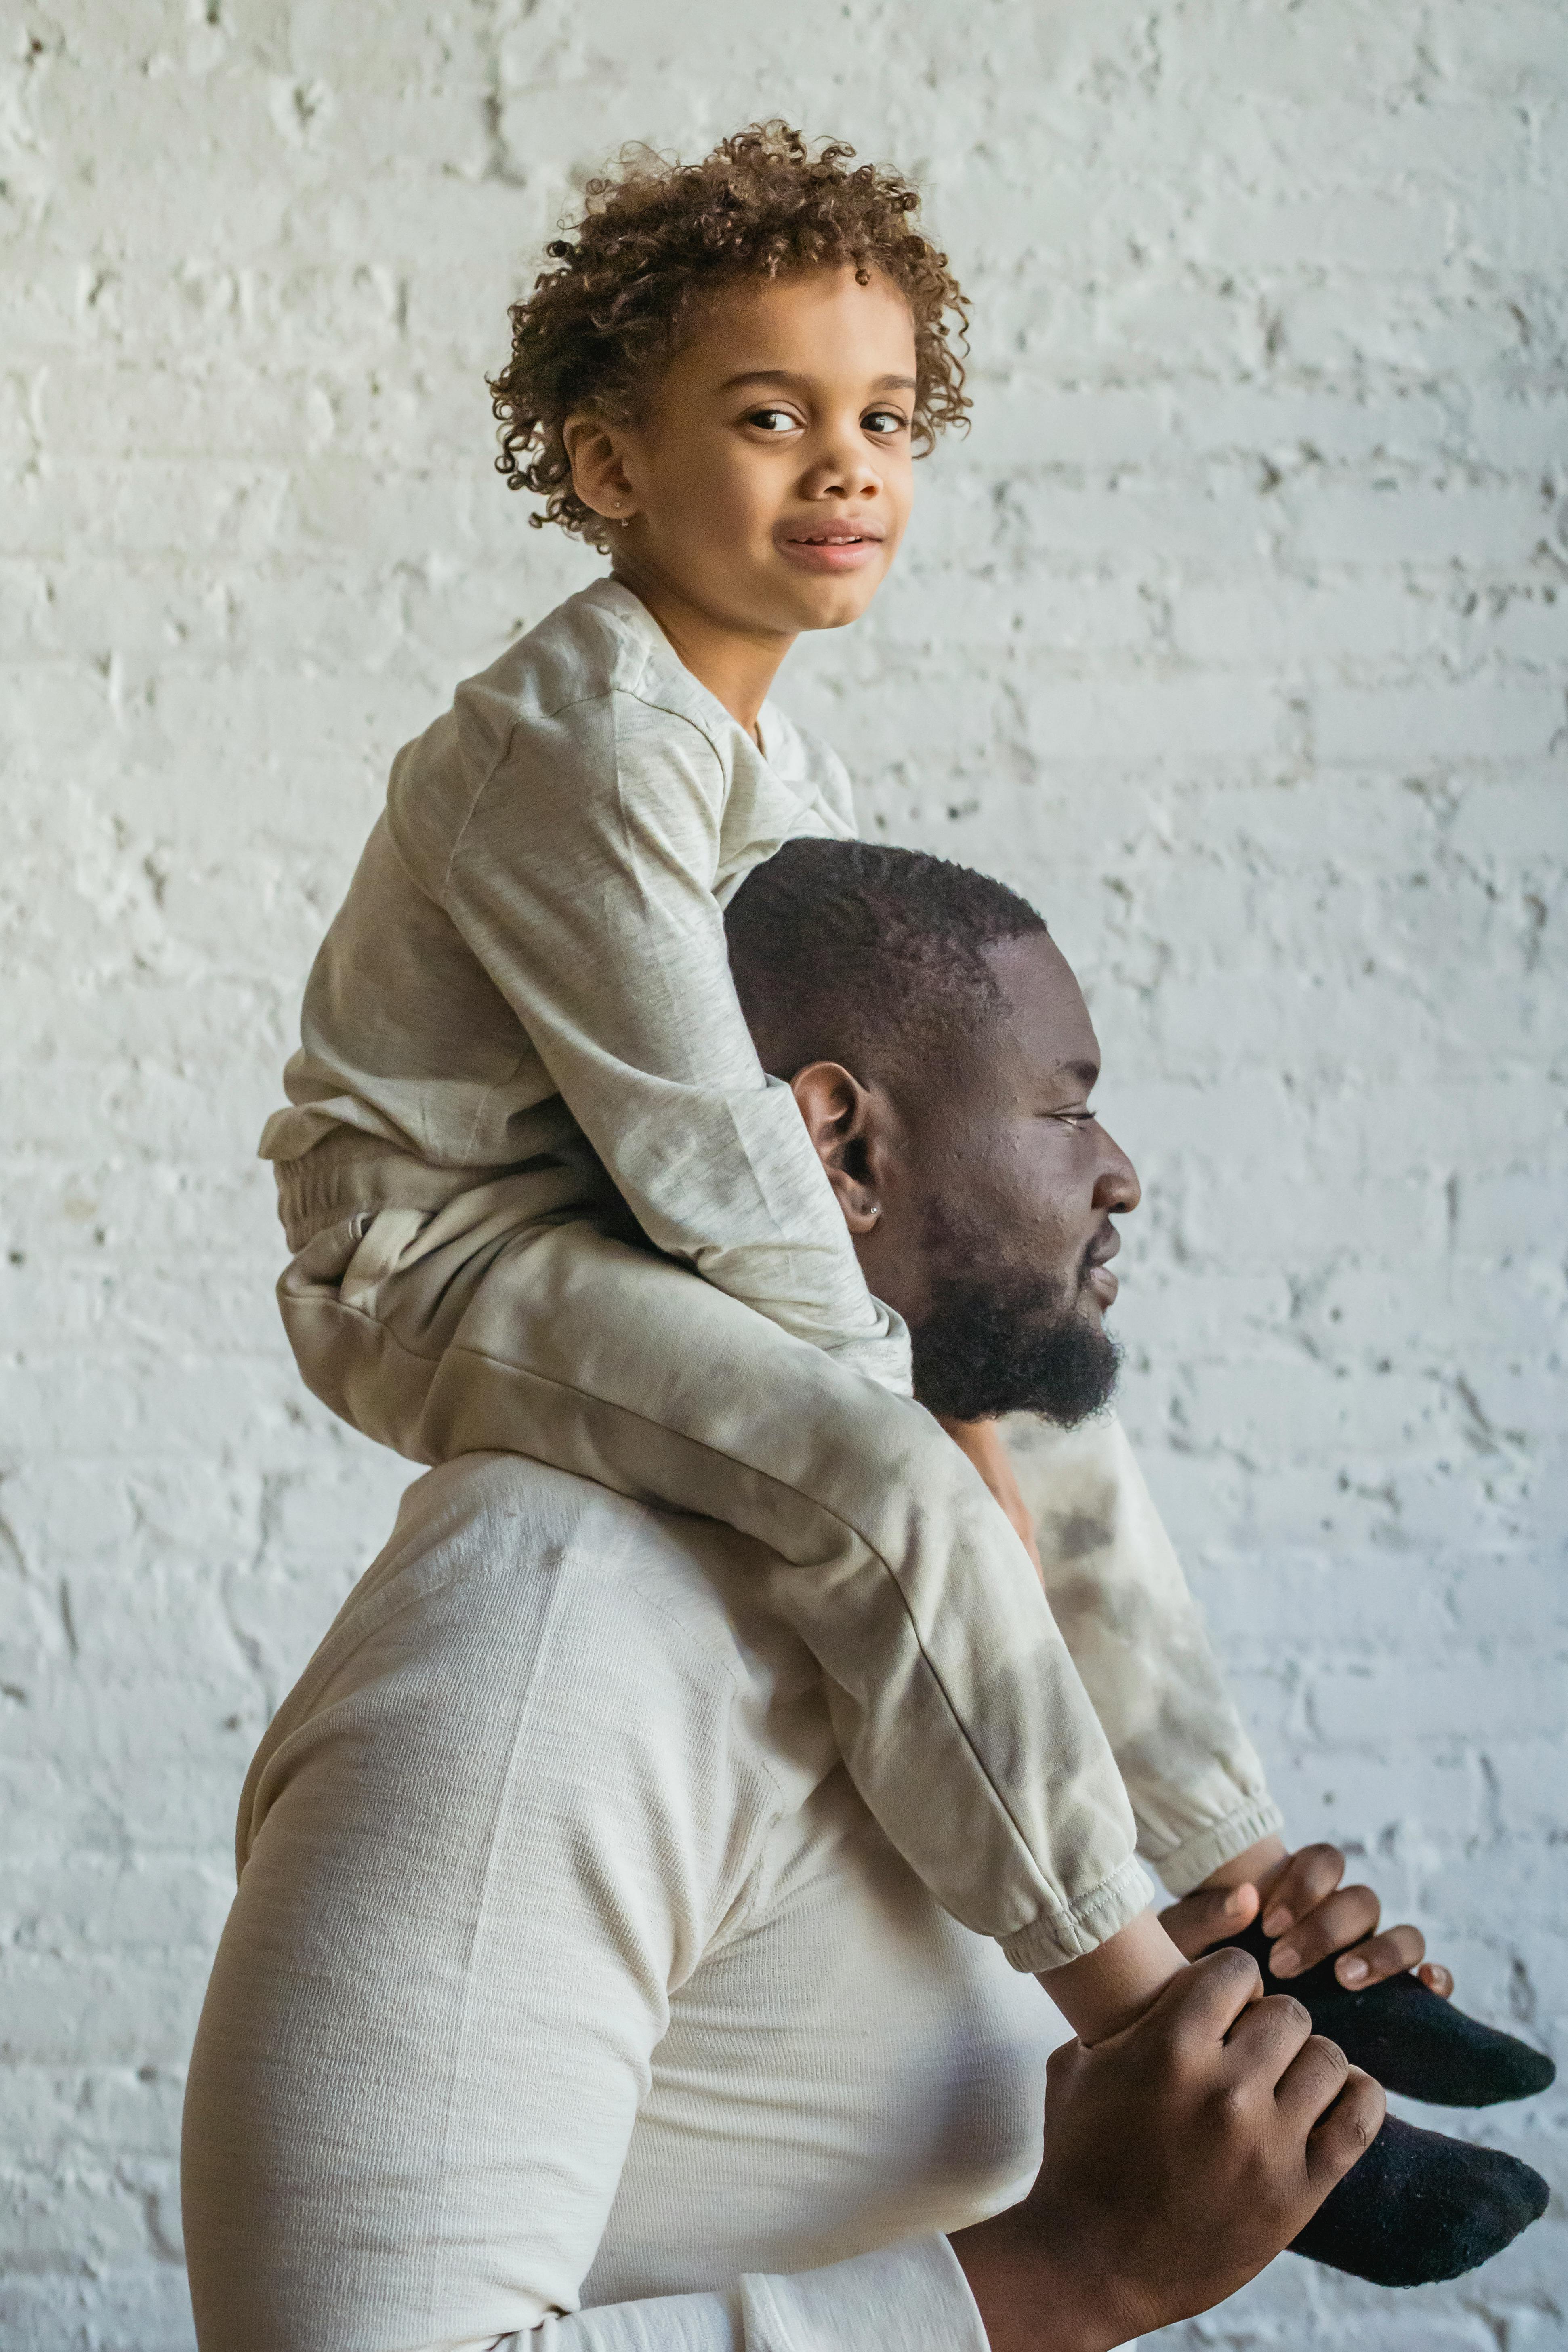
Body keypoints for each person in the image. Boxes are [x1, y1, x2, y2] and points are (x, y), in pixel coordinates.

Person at [185, 845, 1548, 2344]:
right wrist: (1075, 2270)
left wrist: (1197, 2031)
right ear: (841, 1147)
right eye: (1066, 1103)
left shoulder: (939, 1646)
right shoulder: (548, 1639)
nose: (1121, 1174)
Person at [256, 120, 1263, 2061]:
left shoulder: (764, 761)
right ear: (609, 464)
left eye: (884, 419)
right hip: (444, 1251)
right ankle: (1141, 2016)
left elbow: (838, 1125)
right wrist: (926, 1426)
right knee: (884, 1474)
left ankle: (1229, 1878)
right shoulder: (579, 742)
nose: (846, 467)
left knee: (1031, 1352)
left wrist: (982, 1354)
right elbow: (716, 1157)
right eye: (770, 414)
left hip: (619, 1209)